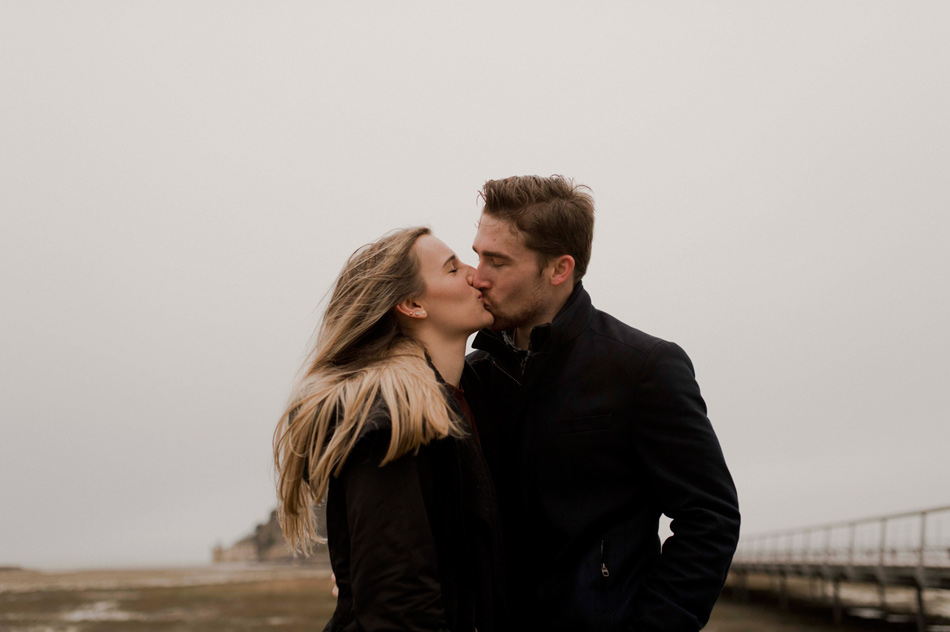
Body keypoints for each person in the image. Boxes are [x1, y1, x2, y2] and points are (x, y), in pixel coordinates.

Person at [467, 175, 741, 632]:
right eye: (477, 254)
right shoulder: (473, 375)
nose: (478, 275)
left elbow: (709, 518)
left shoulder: (643, 367)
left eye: (496, 260)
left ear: (559, 269)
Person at [273, 227, 506, 632]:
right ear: (413, 304)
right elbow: (397, 604)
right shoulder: (392, 419)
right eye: (453, 269)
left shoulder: (474, 395)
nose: (476, 274)